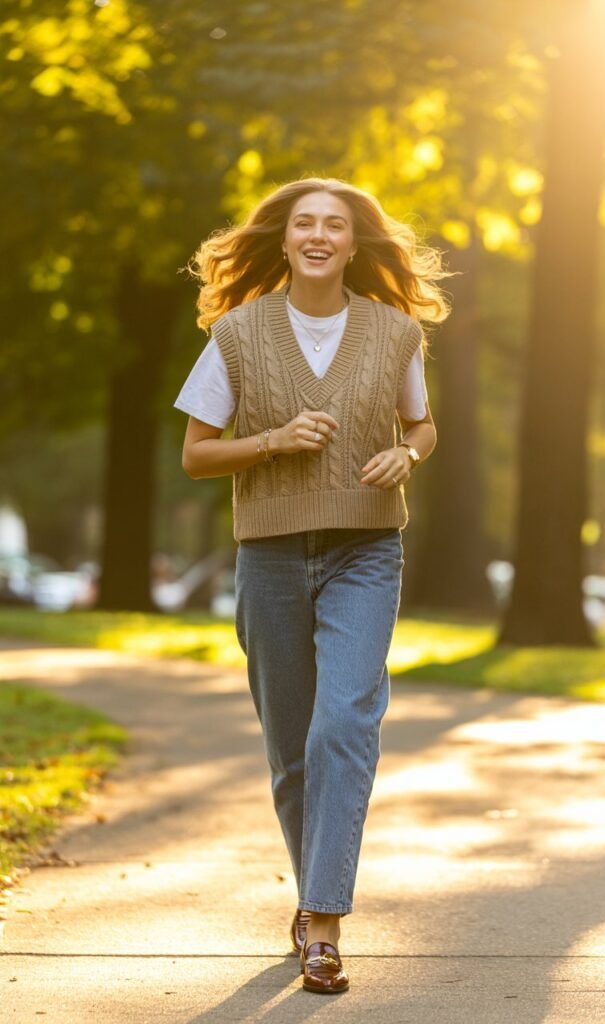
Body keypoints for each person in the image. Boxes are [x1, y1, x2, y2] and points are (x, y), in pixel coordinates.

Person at [174, 177, 449, 994]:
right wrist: (272, 440)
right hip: (271, 556)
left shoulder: (395, 333)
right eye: (305, 223)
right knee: (292, 755)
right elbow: (196, 453)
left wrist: (411, 454)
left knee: (342, 727)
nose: (320, 234)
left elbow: (421, 423)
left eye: (336, 224)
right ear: (285, 240)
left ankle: (323, 922)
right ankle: (311, 898)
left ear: (355, 243)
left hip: (367, 547)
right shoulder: (237, 333)